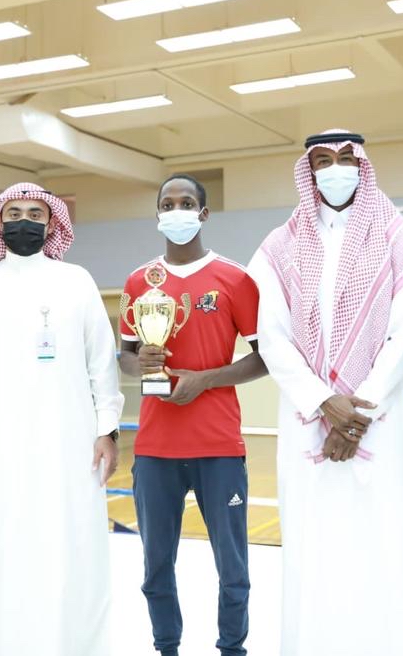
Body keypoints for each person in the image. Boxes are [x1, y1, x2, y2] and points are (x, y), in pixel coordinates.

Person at [247, 130, 403, 656]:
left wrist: (357, 413)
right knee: (315, 550)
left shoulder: (396, 234)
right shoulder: (279, 245)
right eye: (323, 160)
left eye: (347, 158)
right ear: (308, 171)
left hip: (381, 416)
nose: (336, 169)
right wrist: (322, 401)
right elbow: (270, 336)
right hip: (306, 420)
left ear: (363, 164)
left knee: (387, 542)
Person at [0, 182, 123, 656]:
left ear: (52, 223)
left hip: (71, 444)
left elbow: (102, 363)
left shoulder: (76, 281)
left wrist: (107, 430)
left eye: (36, 214)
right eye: (15, 213)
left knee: (71, 547)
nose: (25, 221)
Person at [119, 173, 267, 656]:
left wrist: (206, 379)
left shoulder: (235, 278)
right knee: (156, 566)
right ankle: (166, 647)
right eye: (167, 204)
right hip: (155, 448)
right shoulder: (138, 282)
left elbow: (265, 358)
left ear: (203, 214)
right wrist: (141, 363)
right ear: (158, 214)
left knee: (233, 567)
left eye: (186, 203)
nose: (176, 210)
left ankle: (232, 649)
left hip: (218, 446)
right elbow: (125, 357)